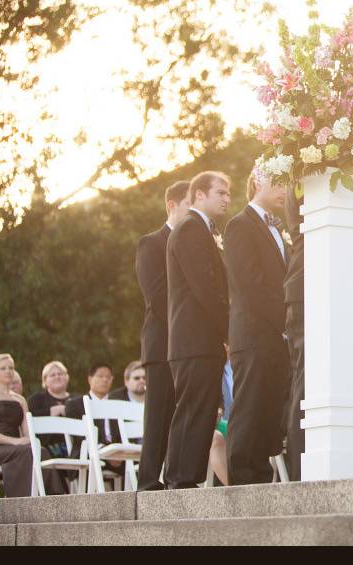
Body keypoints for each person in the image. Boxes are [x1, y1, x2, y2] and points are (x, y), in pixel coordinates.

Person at [224, 172, 291, 485]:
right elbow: (249, 283)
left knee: (269, 406)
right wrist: (284, 318)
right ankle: (241, 479)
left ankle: (261, 476)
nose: (284, 190)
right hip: (253, 332)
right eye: (277, 183)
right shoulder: (240, 225)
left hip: (275, 334)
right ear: (256, 183)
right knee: (249, 405)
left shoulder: (278, 227)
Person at [165, 171, 231, 489]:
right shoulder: (191, 229)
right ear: (199, 195)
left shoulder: (202, 230)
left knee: (201, 410)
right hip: (194, 340)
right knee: (194, 410)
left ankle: (183, 478)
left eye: (229, 193)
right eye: (220, 192)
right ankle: (181, 480)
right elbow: (205, 288)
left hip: (201, 341)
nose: (227, 199)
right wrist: (229, 331)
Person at [135, 180, 189, 490]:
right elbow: (157, 296)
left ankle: (176, 477)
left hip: (188, 347)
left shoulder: (197, 242)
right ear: (172, 206)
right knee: (157, 415)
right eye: (187, 206)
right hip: (161, 343)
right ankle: (147, 482)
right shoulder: (151, 243)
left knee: (181, 414)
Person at [0, 354, 65, 497]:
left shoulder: (20, 399)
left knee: (41, 451)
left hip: (17, 447)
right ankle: (20, 501)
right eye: (3, 368)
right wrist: (15, 441)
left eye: (11, 368)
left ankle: (55, 497)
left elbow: (27, 431)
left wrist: (28, 440)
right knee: (26, 452)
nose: (8, 371)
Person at [283, 180, 305, 481]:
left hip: (337, 282)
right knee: (306, 380)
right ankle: (299, 468)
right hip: (306, 286)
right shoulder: (303, 177)